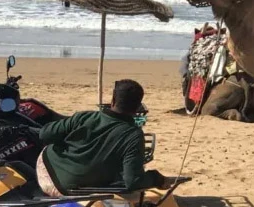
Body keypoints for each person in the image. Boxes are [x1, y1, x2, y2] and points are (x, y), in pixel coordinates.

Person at [35, 79, 173, 197]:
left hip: (49, 176)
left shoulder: (85, 117)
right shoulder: (134, 135)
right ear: (138, 107)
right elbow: (133, 180)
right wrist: (156, 179)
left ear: (113, 101)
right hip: (82, 188)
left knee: (46, 147)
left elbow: (44, 134)